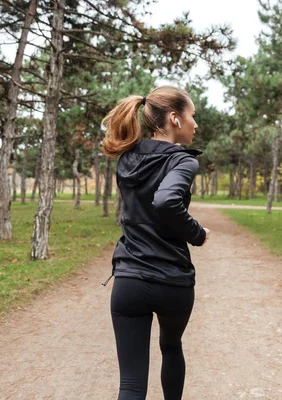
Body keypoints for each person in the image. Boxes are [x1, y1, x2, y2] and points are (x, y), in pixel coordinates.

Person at [101, 85, 210, 400]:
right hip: (172, 282)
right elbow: (165, 201)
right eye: (193, 116)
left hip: (130, 281)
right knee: (172, 347)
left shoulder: (127, 159)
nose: (195, 124)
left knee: (131, 386)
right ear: (175, 119)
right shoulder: (183, 162)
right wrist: (197, 233)